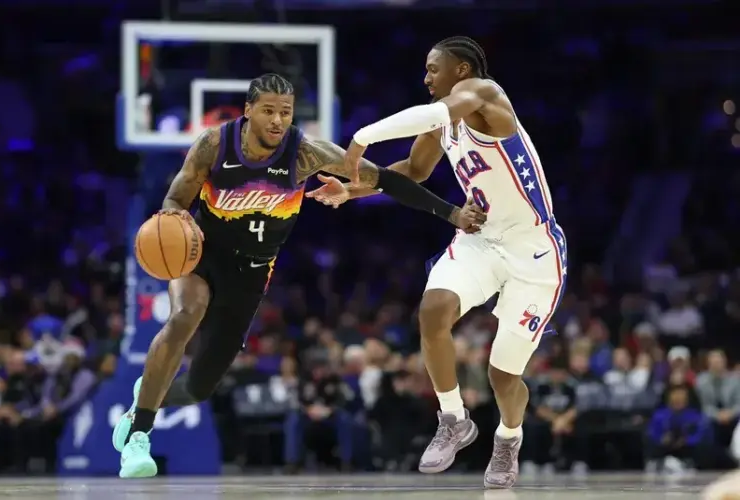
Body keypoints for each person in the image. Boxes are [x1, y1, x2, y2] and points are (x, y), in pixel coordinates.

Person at [112, 73, 487, 478]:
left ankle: (146, 396)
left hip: (251, 274)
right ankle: (139, 435)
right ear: (248, 111)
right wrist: (177, 221)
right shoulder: (214, 144)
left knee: (199, 387)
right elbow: (175, 198)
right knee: (185, 316)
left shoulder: (307, 153)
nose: (277, 120)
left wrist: (451, 213)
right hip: (203, 255)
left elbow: (387, 179)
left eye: (286, 112)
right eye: (268, 111)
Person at [308, 37, 568, 488]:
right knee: (432, 311)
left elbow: (435, 114)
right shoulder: (439, 121)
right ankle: (453, 419)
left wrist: (362, 137)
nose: (426, 77)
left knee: (502, 375)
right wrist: (351, 190)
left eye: (433, 68)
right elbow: (412, 170)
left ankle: (508, 438)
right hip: (480, 238)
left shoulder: (485, 94)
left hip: (534, 250)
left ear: (461, 70)